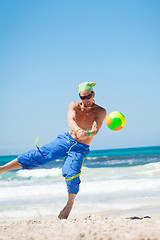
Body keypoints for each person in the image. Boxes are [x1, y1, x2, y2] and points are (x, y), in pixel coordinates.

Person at [0, 82, 106, 219]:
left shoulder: (100, 111)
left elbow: (95, 130)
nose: (85, 100)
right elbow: (71, 119)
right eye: (82, 97)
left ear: (93, 94)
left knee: (72, 172)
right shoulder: (73, 105)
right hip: (66, 140)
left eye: (88, 96)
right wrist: (78, 130)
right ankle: (2, 169)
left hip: (80, 147)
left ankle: (69, 204)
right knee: (39, 155)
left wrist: (88, 134)